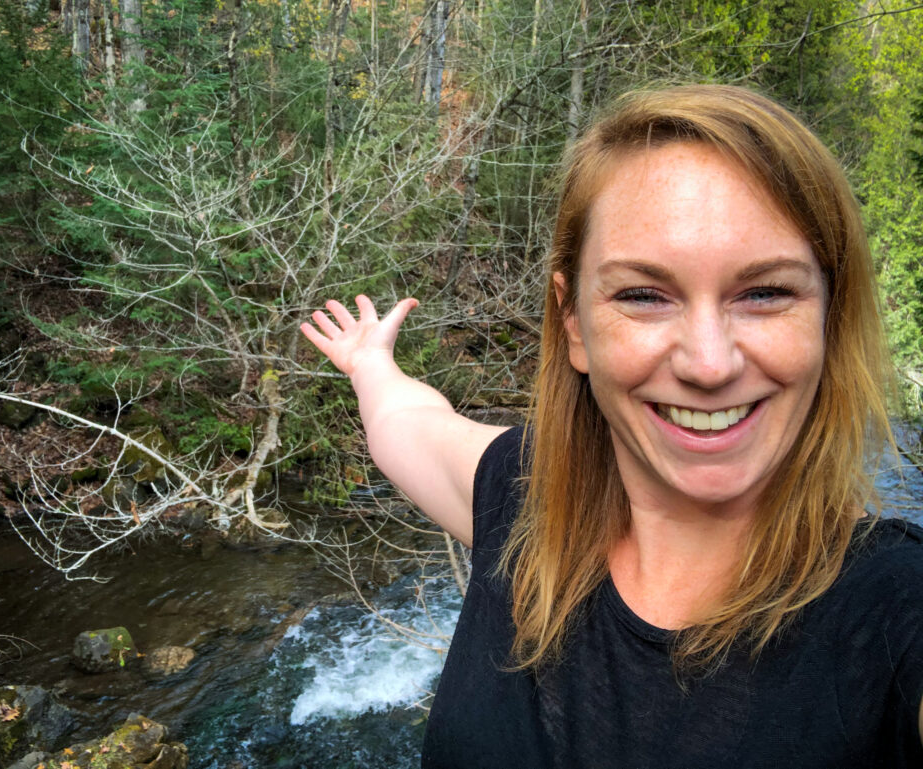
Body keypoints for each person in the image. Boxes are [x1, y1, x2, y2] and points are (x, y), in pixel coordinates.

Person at [300, 84, 923, 768]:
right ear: (574, 323)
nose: (709, 363)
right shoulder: (522, 498)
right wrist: (367, 363)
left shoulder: (892, 610)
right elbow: (410, 421)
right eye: (644, 295)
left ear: (829, 316)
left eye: (766, 292)